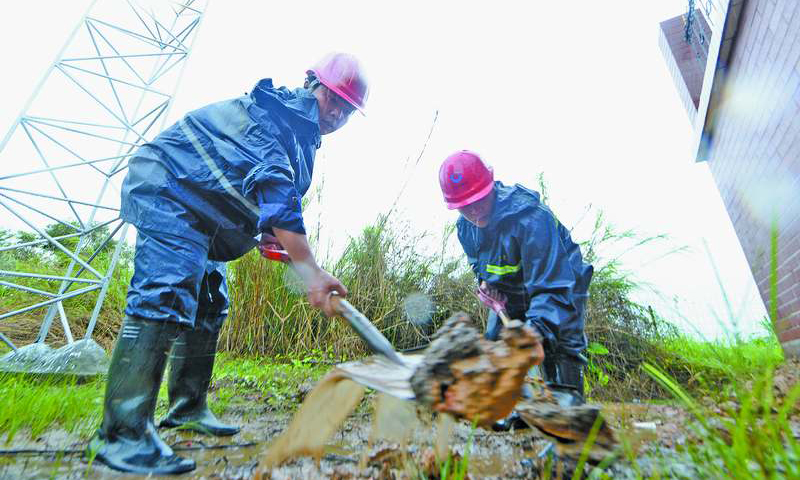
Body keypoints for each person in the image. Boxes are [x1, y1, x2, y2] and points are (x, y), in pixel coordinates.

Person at [87, 53, 369, 475]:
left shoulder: (305, 136)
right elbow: (277, 191)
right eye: (334, 100)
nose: (338, 113)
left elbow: (262, 196)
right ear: (314, 85)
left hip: (207, 209)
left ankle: (187, 407)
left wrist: (270, 234)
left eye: (348, 109)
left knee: (209, 301)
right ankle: (122, 435)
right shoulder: (277, 113)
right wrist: (311, 272)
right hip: (170, 187)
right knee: (166, 292)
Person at [438, 150, 593, 431]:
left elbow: (551, 286)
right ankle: (516, 413)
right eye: (463, 205)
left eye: (477, 199)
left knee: (556, 348)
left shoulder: (530, 218)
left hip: (560, 285)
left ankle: (568, 407)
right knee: (498, 349)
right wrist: (487, 286)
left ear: (491, 185)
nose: (473, 210)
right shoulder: (465, 228)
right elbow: (481, 266)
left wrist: (534, 332)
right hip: (509, 297)